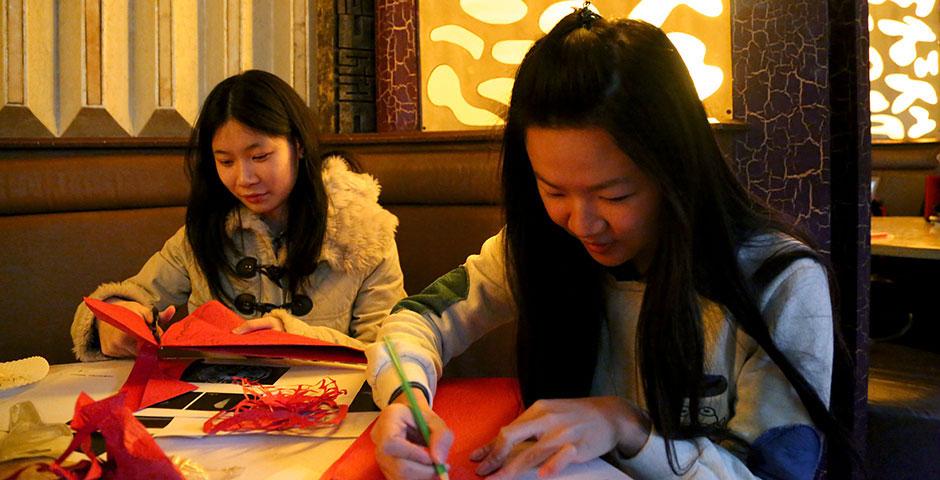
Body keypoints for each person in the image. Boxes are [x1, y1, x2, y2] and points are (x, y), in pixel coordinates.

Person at [365, 10, 858, 480]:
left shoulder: (778, 281)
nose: (581, 223)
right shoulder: (538, 248)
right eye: (553, 190)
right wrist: (405, 400)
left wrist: (627, 427)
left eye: (614, 194)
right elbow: (416, 320)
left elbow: (772, 473)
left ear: (677, 171)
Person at [71, 70, 405, 361]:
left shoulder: (364, 234)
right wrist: (113, 321)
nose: (244, 179)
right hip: (219, 417)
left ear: (298, 146)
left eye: (259, 156)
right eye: (226, 162)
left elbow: (393, 352)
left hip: (328, 410)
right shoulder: (205, 233)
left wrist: (292, 337)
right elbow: (133, 296)